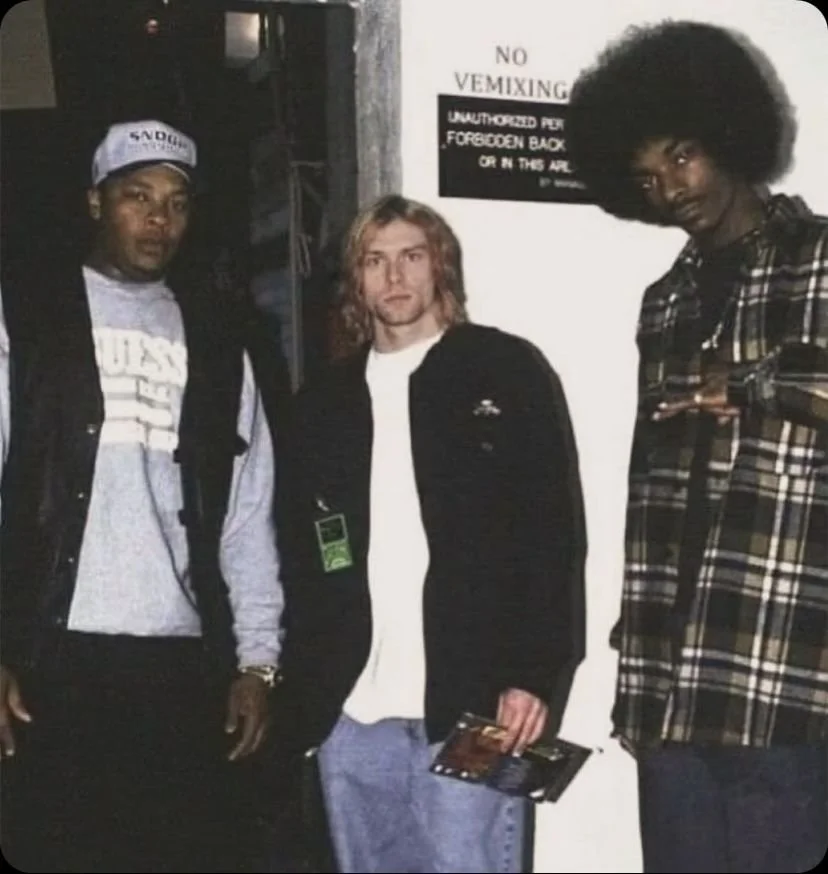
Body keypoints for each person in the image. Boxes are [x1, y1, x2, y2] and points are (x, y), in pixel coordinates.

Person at [566, 20, 828, 873]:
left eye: (681, 156)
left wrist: (751, 385)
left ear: (728, 136)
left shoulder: (820, 259)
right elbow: (656, 490)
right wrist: (634, 661)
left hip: (784, 667)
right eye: (645, 176)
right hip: (672, 679)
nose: (669, 186)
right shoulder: (664, 302)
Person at [0, 119, 284, 873]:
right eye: (137, 196)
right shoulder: (25, 320)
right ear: (96, 202)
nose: (160, 218)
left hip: (179, 664)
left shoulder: (224, 346)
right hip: (48, 658)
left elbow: (247, 517)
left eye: (177, 201)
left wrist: (257, 664)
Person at [277, 193, 586, 873]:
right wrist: (302, 691)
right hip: (352, 714)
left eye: (410, 257)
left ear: (438, 265)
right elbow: (302, 554)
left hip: (474, 708)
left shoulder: (505, 370)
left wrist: (533, 675)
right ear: (355, 279)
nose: (394, 277)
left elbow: (551, 539)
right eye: (375, 261)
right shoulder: (322, 403)